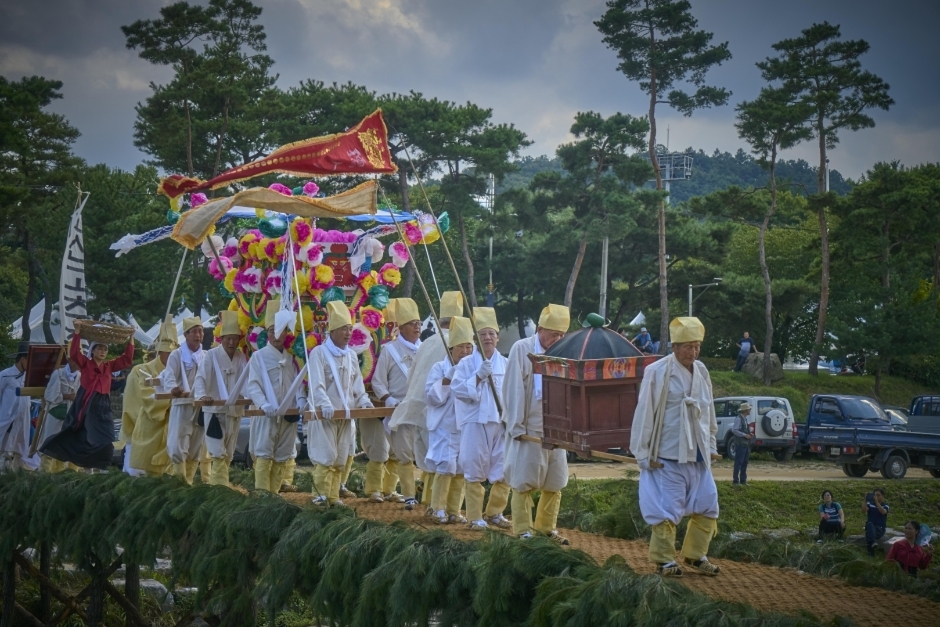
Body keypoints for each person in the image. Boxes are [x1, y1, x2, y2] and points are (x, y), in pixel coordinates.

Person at [631, 317, 721, 578]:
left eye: (697, 347)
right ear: (675, 346)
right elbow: (645, 412)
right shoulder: (658, 371)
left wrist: (712, 441)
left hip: (698, 454)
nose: (693, 352)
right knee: (667, 509)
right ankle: (664, 560)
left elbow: (708, 410)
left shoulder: (702, 371)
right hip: (667, 454)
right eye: (688, 347)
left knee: (708, 504)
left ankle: (695, 555)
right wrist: (643, 451)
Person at [390, 291, 464, 514]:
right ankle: (438, 507)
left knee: (432, 461)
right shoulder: (456, 343)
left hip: (418, 408)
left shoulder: (426, 342)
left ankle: (431, 505)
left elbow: (412, 377)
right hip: (443, 412)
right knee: (446, 462)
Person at [503, 303, 571, 544]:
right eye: (554, 333)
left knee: (556, 480)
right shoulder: (521, 349)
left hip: (556, 428)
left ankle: (546, 528)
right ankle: (522, 530)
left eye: (562, 334)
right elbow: (513, 388)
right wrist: (516, 425)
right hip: (528, 426)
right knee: (524, 480)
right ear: (540, 329)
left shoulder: (564, 351)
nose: (558, 338)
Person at [305, 301, 373, 505]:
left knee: (341, 457)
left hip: (346, 415)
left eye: (350, 328)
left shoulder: (352, 356)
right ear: (332, 330)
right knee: (325, 457)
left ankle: (333, 496)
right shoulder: (318, 353)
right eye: (344, 328)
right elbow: (316, 384)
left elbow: (357, 385)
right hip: (325, 415)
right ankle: (320, 495)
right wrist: (324, 404)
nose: (348, 333)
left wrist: (364, 402)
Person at [451, 308, 511, 530]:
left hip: (499, 421)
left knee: (504, 467)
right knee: (474, 468)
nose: (487, 338)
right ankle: (474, 516)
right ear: (475, 338)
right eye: (482, 334)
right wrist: (478, 376)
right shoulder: (466, 364)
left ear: (498, 337)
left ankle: (495, 512)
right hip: (475, 421)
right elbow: (458, 390)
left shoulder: (505, 363)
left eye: (491, 334)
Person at [41, 332, 135, 470]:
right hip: (86, 404)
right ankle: (69, 467)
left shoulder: (109, 366)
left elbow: (126, 359)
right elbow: (74, 353)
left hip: (103, 407)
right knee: (83, 436)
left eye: (105, 349)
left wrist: (131, 338)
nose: (103, 352)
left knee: (106, 437)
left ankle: (99, 467)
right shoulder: (85, 364)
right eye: (99, 349)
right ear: (93, 351)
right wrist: (78, 332)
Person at [371, 298, 423, 504]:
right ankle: (409, 495)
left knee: (422, 454)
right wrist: (388, 399)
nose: (418, 327)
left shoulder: (425, 349)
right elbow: (378, 382)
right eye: (413, 324)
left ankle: (413, 494)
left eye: (419, 323)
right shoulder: (389, 350)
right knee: (404, 455)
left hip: (420, 411)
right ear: (401, 327)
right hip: (398, 410)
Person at [247, 300, 300, 493]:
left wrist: (300, 402)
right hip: (266, 414)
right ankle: (262, 494)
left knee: (282, 455)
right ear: (267, 334)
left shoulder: (292, 358)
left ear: (286, 333)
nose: (275, 335)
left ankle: (274, 494)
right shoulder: (258, 357)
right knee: (263, 453)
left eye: (279, 331)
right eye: (271, 331)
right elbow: (253, 385)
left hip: (288, 415)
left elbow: (299, 383)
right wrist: (263, 404)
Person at [425, 316, 474, 524]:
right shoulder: (439, 367)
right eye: (461, 347)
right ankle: (437, 508)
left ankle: (455, 510)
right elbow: (431, 397)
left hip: (466, 425)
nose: (465, 352)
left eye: (469, 347)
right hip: (445, 425)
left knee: (462, 467)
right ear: (451, 348)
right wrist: (449, 377)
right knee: (445, 466)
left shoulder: (474, 368)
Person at [194, 311, 247, 487]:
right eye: (227, 338)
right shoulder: (211, 355)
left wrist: (249, 397)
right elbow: (201, 378)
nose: (231, 342)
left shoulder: (241, 357)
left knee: (230, 451)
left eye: (234, 338)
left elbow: (247, 381)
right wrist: (202, 395)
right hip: (214, 411)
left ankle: (222, 484)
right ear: (221, 338)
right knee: (217, 451)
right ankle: (218, 487)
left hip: (234, 411)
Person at [129, 318, 178, 477]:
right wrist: (172, 399)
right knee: (148, 469)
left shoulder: (181, 369)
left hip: (174, 421)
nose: (171, 356)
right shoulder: (144, 370)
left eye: (174, 353)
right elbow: (148, 397)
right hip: (152, 422)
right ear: (160, 352)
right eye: (168, 353)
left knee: (173, 465)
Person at [162, 317, 207, 484]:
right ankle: (179, 482)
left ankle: (189, 482)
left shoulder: (206, 355)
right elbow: (169, 375)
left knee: (196, 444)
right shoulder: (176, 355)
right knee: (177, 444)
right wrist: (173, 388)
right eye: (194, 331)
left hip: (200, 406)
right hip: (181, 404)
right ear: (186, 334)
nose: (198, 335)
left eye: (200, 331)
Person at [37, 359, 81, 473]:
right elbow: (50, 394)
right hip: (56, 412)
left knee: (67, 444)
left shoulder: (80, 375)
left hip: (72, 414)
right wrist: (67, 396)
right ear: (71, 360)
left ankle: (63, 474)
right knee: (51, 441)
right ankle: (45, 474)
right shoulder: (58, 373)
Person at [0, 342, 33, 471]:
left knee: (18, 447)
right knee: (4, 446)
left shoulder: (29, 377)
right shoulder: (5, 375)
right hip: (7, 418)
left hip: (22, 417)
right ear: (23, 359)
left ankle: (14, 473)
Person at [863, 488, 890, 557]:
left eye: (878, 495)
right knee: (869, 524)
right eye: (875, 495)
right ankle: (873, 543)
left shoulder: (885, 505)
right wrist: (865, 500)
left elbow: (883, 512)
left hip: (880, 528)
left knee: (869, 534)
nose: (876, 497)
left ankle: (871, 552)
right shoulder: (870, 504)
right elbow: (863, 510)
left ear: (883, 496)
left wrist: (877, 503)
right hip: (870, 526)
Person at [731, 402, 752, 486]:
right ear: (746, 410)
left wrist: (749, 434)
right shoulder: (739, 419)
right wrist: (744, 435)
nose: (750, 410)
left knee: (745, 462)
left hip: (745, 444)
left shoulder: (744, 419)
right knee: (739, 462)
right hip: (740, 444)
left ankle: (743, 480)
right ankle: (735, 481)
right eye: (749, 409)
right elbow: (734, 430)